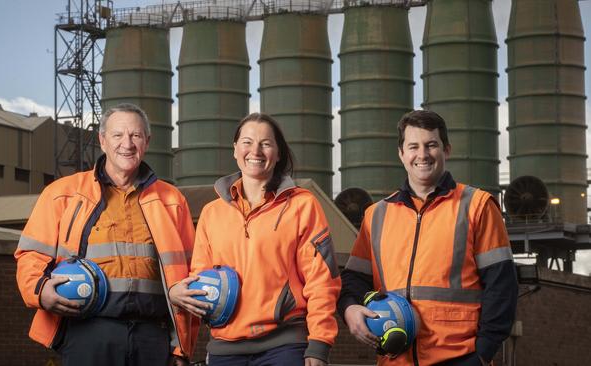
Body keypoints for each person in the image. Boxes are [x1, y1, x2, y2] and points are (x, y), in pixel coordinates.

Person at [15, 103, 199, 366]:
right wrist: (40, 290)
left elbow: (191, 275)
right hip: (86, 332)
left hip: (152, 337)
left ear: (147, 142)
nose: (127, 143)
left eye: (136, 135)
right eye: (117, 135)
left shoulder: (172, 200)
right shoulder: (62, 194)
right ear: (102, 140)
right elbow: (30, 255)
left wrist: (182, 348)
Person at [338, 110, 518, 365]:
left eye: (431, 145)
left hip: (460, 357)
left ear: (446, 150)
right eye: (413, 146)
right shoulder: (376, 215)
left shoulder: (477, 206)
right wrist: (349, 308)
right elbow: (353, 280)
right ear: (401, 154)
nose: (422, 155)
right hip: (395, 359)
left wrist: (482, 353)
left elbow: (502, 287)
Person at [169, 113, 341, 366]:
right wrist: (176, 291)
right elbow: (201, 279)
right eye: (247, 142)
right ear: (235, 149)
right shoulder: (211, 213)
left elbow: (321, 280)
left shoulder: (302, 205)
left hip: (285, 346)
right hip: (224, 349)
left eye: (266, 143)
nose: (255, 151)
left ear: (279, 153)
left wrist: (319, 343)